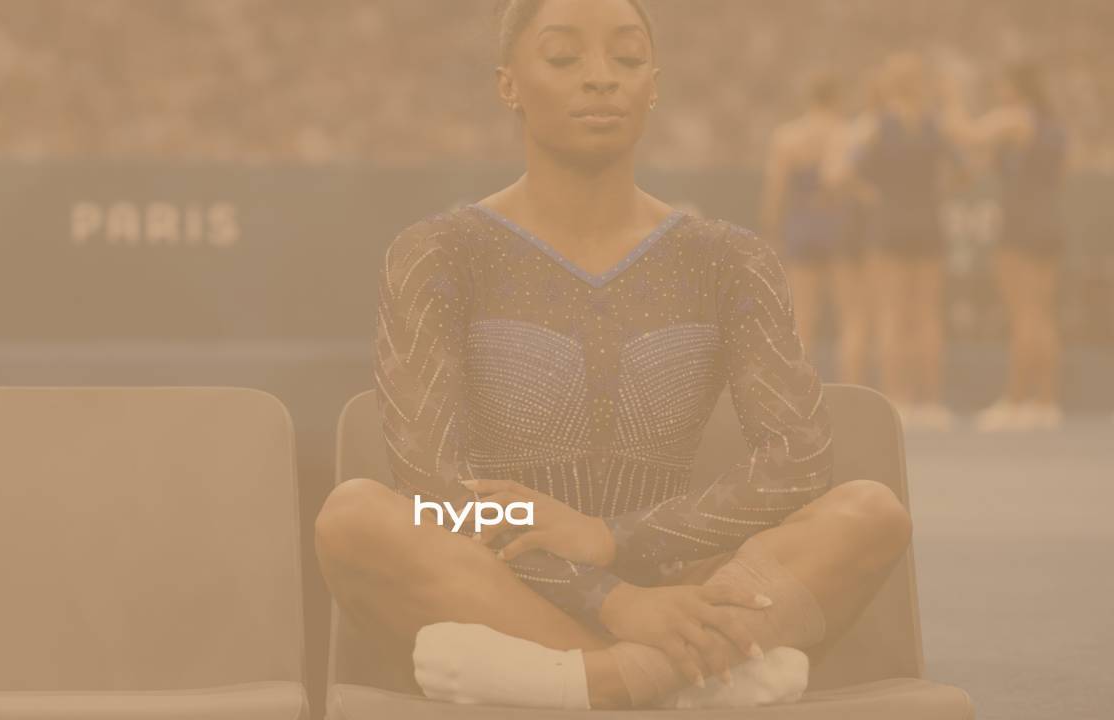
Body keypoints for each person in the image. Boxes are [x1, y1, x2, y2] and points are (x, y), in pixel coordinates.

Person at [315, 0, 913, 711]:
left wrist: (612, 540)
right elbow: (434, 489)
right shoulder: (439, 252)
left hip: (680, 583)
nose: (600, 77)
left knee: (871, 514)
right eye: (564, 57)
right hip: (502, 587)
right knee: (354, 518)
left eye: (626, 58)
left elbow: (798, 462)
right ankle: (680, 681)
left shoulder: (727, 258)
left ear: (653, 85)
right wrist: (610, 600)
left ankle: (577, 684)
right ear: (509, 84)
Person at [943, 61, 1068, 431]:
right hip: (1049, 221)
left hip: (1020, 224)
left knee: (1023, 314)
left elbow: (966, 134)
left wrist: (952, 96)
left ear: (1016, 86)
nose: (999, 92)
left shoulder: (1015, 117)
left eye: (1003, 85)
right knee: (1042, 314)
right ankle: (1045, 401)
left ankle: (1016, 400)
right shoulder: (1053, 126)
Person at [849, 53, 963, 430]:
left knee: (893, 314)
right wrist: (937, 194)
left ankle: (898, 398)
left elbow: (847, 173)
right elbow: (964, 171)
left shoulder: (878, 126)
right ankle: (931, 401)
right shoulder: (934, 125)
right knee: (928, 314)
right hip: (927, 222)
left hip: (890, 225)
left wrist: (875, 197)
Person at [761, 72, 870, 386]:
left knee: (804, 315)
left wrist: (771, 229)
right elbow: (855, 186)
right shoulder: (847, 133)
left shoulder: (788, 136)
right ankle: (851, 386)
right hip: (838, 225)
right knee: (851, 315)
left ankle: (801, 389)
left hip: (802, 226)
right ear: (837, 98)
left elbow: (776, 190)